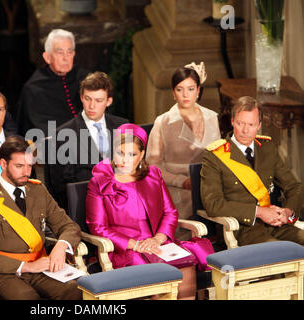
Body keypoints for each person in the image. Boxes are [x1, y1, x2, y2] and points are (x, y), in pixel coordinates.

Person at [86, 123, 214, 300]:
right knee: (156, 273)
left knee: (185, 264)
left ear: (142, 155)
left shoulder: (153, 176)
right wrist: (136, 245)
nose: (124, 160)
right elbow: (98, 228)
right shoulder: (100, 181)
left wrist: (157, 239)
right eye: (120, 153)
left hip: (157, 243)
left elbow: (170, 212)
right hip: (125, 250)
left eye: (132, 155)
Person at [0, 135, 82, 300]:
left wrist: (61, 246)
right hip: (4, 273)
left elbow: (69, 226)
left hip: (41, 265)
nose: (26, 172)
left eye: (29, 166)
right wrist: (27, 266)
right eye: (19, 166)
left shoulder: (38, 190)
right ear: (3, 164)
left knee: (77, 289)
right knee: (26, 298)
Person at [201, 96, 304, 246]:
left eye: (251, 124)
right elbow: (213, 204)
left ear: (259, 125)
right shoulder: (215, 156)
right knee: (279, 251)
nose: (244, 130)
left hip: (275, 224)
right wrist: (259, 212)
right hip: (242, 229)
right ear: (232, 122)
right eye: (240, 123)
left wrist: (287, 212)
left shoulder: (267, 148)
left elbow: (294, 187)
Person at [146, 62, 221, 221]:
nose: (185, 95)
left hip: (209, 190)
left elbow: (220, 158)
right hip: (175, 191)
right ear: (173, 93)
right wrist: (182, 182)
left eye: (191, 89)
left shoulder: (212, 118)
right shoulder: (163, 122)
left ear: (198, 91)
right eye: (180, 90)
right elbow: (152, 167)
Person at [50, 71, 128, 209]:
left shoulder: (122, 126)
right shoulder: (63, 134)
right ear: (81, 97)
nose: (91, 106)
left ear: (109, 101)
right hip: (85, 205)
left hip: (123, 202)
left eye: (98, 100)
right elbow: (62, 186)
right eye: (87, 99)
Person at [15, 29, 89, 137]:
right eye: (60, 53)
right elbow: (35, 129)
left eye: (69, 52)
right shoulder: (34, 88)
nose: (65, 58)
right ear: (47, 57)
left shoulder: (86, 79)